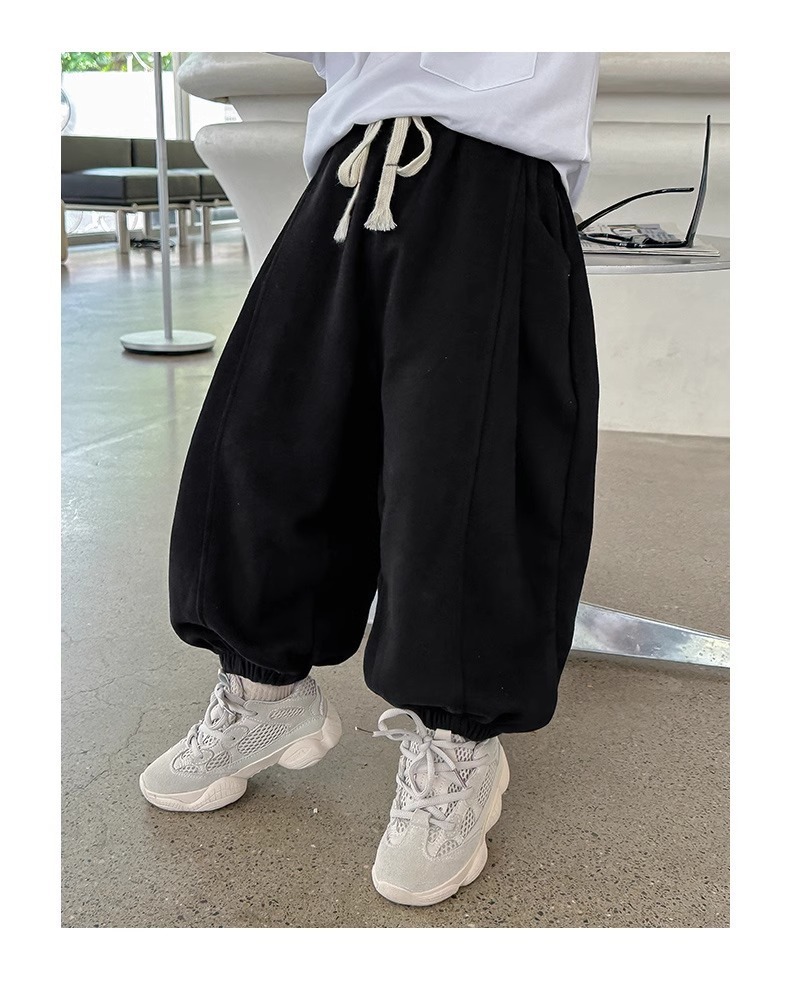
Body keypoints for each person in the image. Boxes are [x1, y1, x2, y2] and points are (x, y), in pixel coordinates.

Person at [140, 52, 600, 907]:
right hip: (351, 162)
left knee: (461, 478)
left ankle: (457, 743)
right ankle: (264, 687)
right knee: (269, 431)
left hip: (497, 165)